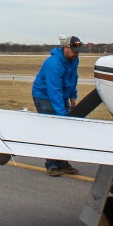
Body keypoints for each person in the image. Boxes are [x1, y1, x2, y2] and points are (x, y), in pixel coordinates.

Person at [32, 35, 82, 177]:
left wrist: (73, 94)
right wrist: (62, 114)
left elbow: (73, 78)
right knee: (52, 130)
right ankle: (52, 164)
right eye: (73, 51)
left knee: (63, 130)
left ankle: (62, 163)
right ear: (65, 48)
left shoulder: (74, 59)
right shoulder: (54, 63)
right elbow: (54, 90)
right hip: (44, 96)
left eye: (78, 51)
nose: (76, 54)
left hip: (61, 95)